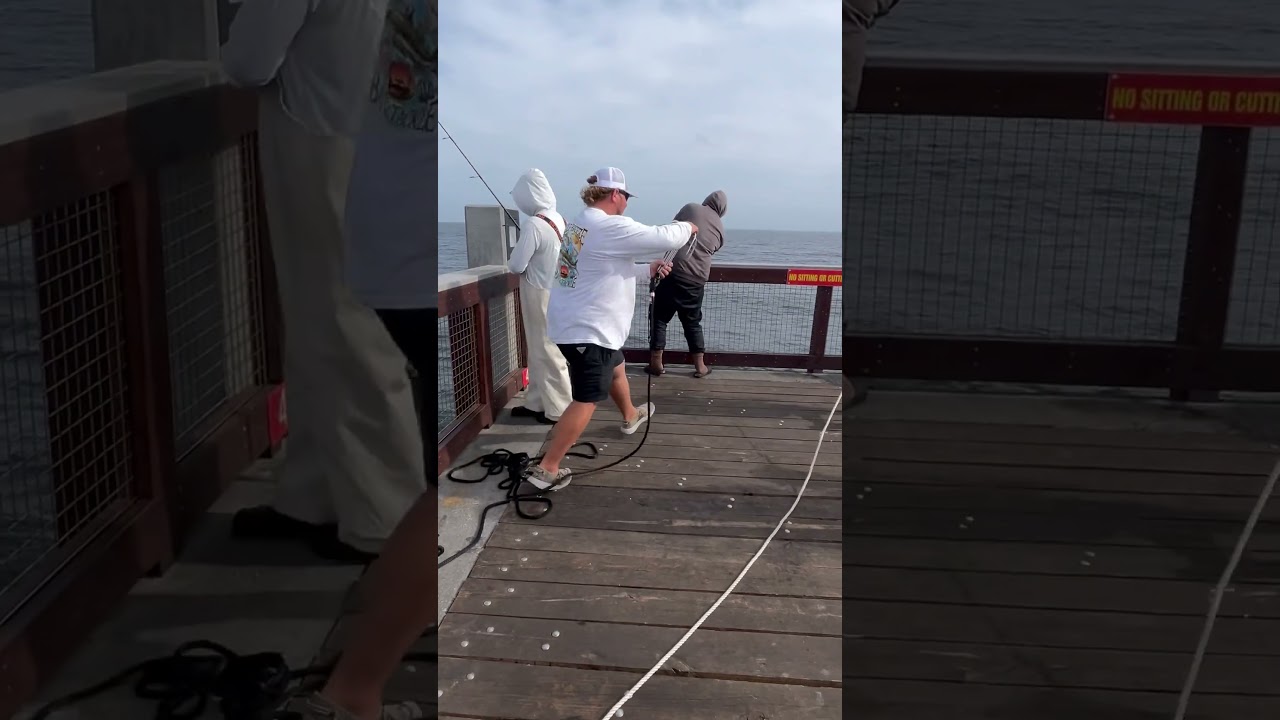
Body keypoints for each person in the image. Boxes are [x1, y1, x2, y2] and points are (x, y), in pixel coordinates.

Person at [220, 0, 425, 565]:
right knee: (320, 326)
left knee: (342, 326)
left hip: (315, 144)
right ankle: (314, 495)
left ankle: (386, 518)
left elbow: (248, 62)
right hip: (374, 142)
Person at [291, 1, 436, 718]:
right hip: (415, 253)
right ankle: (354, 688)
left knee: (450, 479)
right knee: (457, 484)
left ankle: (359, 680)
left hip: (383, 236)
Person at [523, 168, 698, 491]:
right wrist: (689, 224)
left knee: (615, 365)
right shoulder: (610, 226)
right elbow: (666, 236)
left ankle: (631, 415)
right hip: (588, 331)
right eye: (626, 197)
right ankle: (547, 467)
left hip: (573, 324)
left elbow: (599, 269)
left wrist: (648, 269)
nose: (627, 204)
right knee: (587, 398)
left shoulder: (581, 223)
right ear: (615, 194)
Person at [507, 169, 573, 425]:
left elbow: (516, 265)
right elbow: (570, 264)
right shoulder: (562, 220)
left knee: (546, 350)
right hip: (559, 291)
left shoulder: (534, 224)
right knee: (540, 349)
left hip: (537, 293)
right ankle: (537, 402)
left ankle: (560, 410)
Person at [646, 190, 728, 378]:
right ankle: (700, 367)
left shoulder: (691, 208)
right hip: (696, 279)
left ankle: (656, 364)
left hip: (673, 271)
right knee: (692, 322)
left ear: (707, 200)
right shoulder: (721, 229)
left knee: (659, 318)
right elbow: (714, 248)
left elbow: (671, 230)